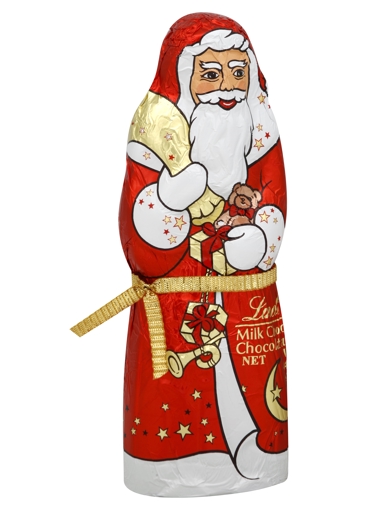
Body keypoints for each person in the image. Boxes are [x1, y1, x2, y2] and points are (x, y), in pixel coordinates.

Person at [119, 13, 288, 497]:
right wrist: (167, 202)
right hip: (174, 299)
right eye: (211, 75)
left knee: (250, 378)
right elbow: (133, 228)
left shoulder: (258, 132)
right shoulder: (153, 138)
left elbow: (274, 193)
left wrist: (260, 238)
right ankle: (174, 463)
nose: (228, 88)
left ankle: (254, 447)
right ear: (183, 75)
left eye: (238, 72)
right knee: (174, 391)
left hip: (245, 294)